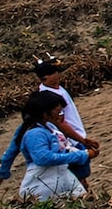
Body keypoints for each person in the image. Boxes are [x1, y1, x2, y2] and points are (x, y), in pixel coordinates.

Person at [0, 91, 94, 201]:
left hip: (58, 176)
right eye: (58, 112)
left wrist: (83, 144)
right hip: (46, 183)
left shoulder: (47, 126)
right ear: (45, 114)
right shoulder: (35, 134)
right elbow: (43, 158)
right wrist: (83, 155)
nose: (61, 116)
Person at [22, 56, 97, 190]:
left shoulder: (55, 90)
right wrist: (82, 142)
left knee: (80, 177)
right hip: (69, 140)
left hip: (73, 137)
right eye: (53, 73)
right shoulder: (48, 99)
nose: (57, 75)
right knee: (77, 176)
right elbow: (60, 124)